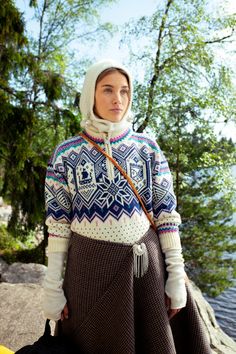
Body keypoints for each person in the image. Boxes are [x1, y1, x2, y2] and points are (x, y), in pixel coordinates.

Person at [43, 59, 211, 353]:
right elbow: (58, 226)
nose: (117, 99)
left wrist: (175, 276)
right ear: (90, 94)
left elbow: (166, 216)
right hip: (89, 272)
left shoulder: (147, 148)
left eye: (124, 91)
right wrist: (52, 289)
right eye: (107, 89)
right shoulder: (66, 154)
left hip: (145, 271)